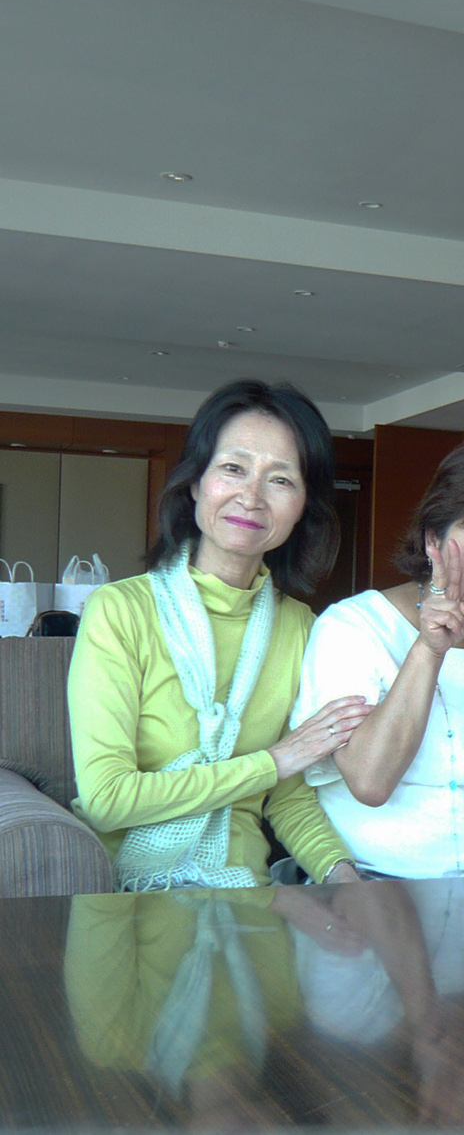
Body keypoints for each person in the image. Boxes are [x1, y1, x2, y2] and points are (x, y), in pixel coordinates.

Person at [68, 380, 366, 891]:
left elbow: (288, 795)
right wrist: (271, 761)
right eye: (233, 468)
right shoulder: (119, 611)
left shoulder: (300, 626)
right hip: (126, 894)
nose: (250, 497)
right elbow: (107, 799)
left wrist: (343, 876)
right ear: (195, 482)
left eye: (280, 479)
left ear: (303, 505)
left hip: (243, 892)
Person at [292, 445, 464, 879]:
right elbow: (370, 783)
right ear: (433, 539)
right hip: (371, 884)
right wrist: (429, 649)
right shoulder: (353, 626)